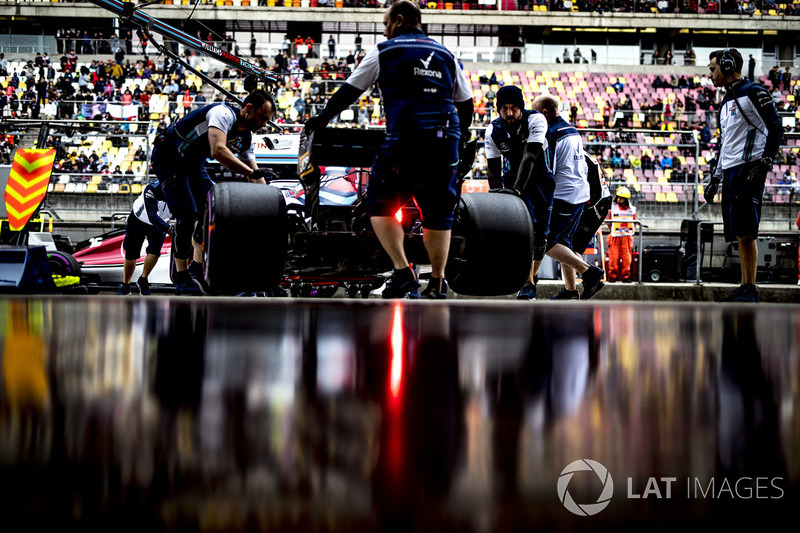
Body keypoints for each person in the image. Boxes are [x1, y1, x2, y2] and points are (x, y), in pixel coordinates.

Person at [303, 0, 473, 299]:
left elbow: (349, 92)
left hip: (406, 140)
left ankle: (402, 271)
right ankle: (437, 282)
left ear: (398, 19)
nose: (385, 29)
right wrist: (459, 139)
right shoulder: (447, 54)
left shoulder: (384, 50)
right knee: (438, 214)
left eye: (385, 23)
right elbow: (466, 104)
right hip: (446, 140)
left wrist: (321, 119)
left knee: (379, 204)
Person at [151, 90, 276, 295]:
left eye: (267, 120)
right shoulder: (222, 113)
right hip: (169, 157)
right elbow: (218, 150)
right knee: (187, 213)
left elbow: (255, 174)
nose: (264, 123)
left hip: (192, 164)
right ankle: (182, 279)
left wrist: (274, 204)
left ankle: (197, 270)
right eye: (262, 117)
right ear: (248, 108)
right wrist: (253, 172)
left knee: (213, 209)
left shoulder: (246, 139)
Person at [704, 48, 783, 303]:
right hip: (729, 172)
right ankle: (745, 285)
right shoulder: (726, 102)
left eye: (713, 68)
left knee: (747, 232)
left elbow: (776, 126)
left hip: (749, 168)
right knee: (739, 232)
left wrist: (765, 162)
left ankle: (751, 288)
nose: (710, 73)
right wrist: (715, 179)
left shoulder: (754, 92)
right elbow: (724, 144)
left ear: (727, 66)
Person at [531, 95, 605, 300]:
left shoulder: (551, 135)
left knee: (544, 242)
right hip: (580, 195)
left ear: (544, 113)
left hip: (564, 197)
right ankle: (571, 291)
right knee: (565, 244)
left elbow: (547, 173)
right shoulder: (572, 130)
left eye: (535, 114)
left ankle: (589, 272)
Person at [116, 179, 173, 296]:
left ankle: (143, 279)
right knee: (131, 253)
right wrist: (169, 228)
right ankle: (125, 285)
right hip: (139, 218)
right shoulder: (153, 187)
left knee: (155, 252)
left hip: (161, 221)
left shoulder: (182, 190)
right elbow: (152, 216)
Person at [606, 186, 636, 283]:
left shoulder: (632, 209)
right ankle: (613, 276)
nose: (619, 199)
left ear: (626, 200)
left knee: (627, 257)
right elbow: (609, 221)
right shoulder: (612, 208)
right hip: (615, 236)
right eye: (618, 197)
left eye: (622, 198)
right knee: (613, 257)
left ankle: (626, 276)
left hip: (626, 236)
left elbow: (634, 222)